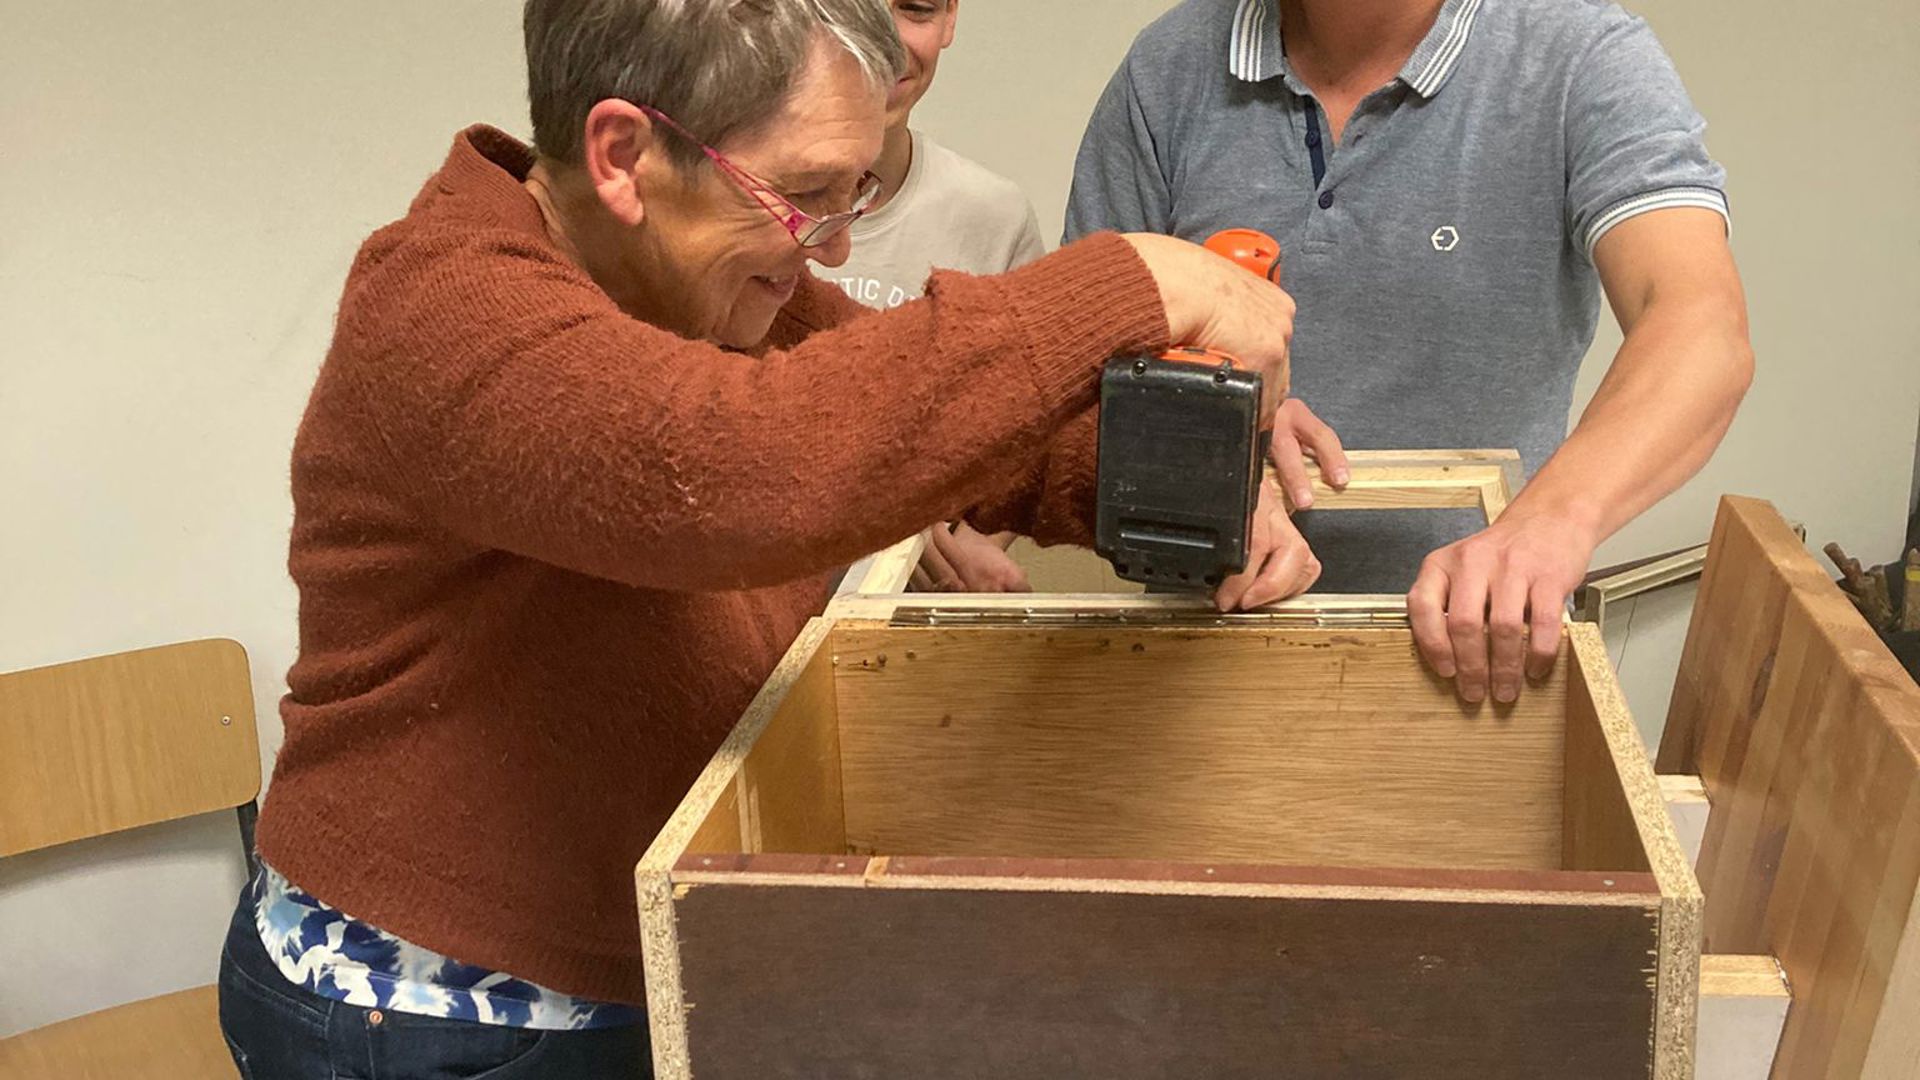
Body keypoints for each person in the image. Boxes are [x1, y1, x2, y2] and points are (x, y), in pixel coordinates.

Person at [216, 1, 1313, 1077]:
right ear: (623, 155)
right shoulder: (442, 304)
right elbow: (730, 474)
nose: (829, 245)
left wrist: (1192, 488)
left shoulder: (705, 286)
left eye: (856, 195)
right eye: (801, 199)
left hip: (644, 956)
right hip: (426, 1011)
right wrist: (1129, 279)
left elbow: (934, 431)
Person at [1065, 0, 1753, 705]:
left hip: (1475, 670)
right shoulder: (1168, 68)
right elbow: (1075, 376)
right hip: (1192, 663)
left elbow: (1701, 327)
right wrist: (1213, 470)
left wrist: (1550, 524)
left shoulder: (1581, 56)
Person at [824, 0, 1050, 594]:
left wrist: (964, 548)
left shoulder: (994, 218)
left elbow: (1025, 440)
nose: (886, 40)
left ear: (950, 16)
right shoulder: (721, 207)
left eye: (916, 8)